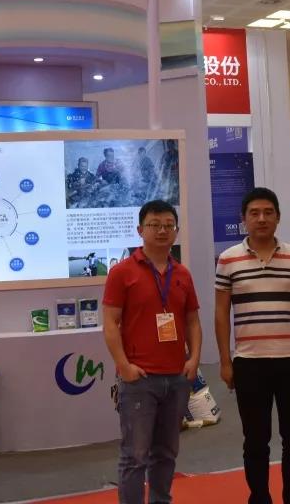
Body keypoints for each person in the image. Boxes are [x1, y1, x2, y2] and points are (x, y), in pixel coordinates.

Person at [215, 187, 290, 504]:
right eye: (254, 213)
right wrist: (225, 361)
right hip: (250, 364)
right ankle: (259, 497)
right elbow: (221, 313)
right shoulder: (228, 259)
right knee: (255, 441)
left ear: (278, 217)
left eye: (268, 212)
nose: (261, 218)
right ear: (243, 219)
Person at [103, 200, 202, 504]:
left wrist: (194, 358)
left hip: (176, 377)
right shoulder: (122, 272)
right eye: (154, 225)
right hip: (139, 379)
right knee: (135, 455)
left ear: (176, 231)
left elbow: (192, 321)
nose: (162, 231)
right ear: (140, 230)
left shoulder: (182, 273)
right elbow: (110, 323)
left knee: (167, 453)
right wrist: (124, 366)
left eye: (168, 225)